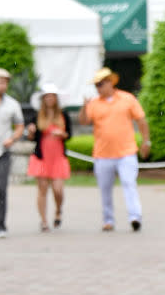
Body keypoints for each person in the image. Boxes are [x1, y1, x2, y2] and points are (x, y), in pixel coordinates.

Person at [78, 67, 151, 232]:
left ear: (110, 82)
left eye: (100, 84)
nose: (98, 88)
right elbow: (83, 121)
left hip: (126, 152)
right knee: (105, 189)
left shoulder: (127, 98)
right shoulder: (94, 103)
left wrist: (146, 141)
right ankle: (108, 220)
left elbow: (141, 120)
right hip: (103, 154)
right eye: (96, 85)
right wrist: (84, 107)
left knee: (129, 183)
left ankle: (135, 217)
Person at [26, 83, 72, 231]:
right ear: (43, 99)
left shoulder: (64, 116)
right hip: (42, 157)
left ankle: (58, 210)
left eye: (52, 96)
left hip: (58, 156)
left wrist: (61, 134)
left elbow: (69, 135)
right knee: (42, 188)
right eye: (47, 96)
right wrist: (31, 131)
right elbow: (32, 137)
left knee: (58, 190)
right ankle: (44, 220)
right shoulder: (37, 116)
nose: (49, 99)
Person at [0, 67, 24, 237]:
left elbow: (19, 126)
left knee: (1, 188)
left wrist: (12, 139)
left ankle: (0, 224)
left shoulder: (13, 104)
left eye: (5, 82)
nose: (2, 85)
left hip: (2, 151)